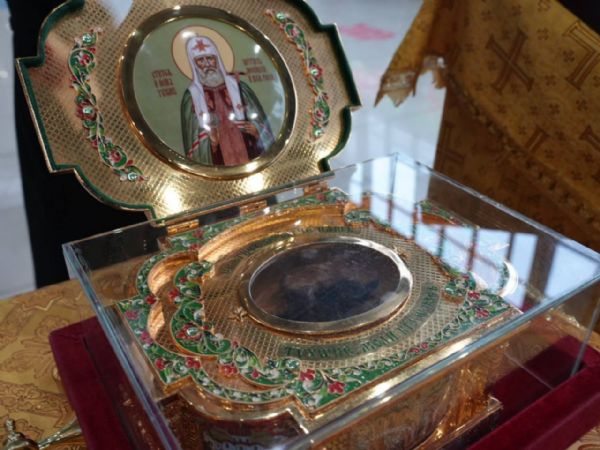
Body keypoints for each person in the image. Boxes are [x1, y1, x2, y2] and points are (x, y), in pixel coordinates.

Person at [180, 36, 274, 166]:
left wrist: (257, 130)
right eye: (200, 60)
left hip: (248, 149)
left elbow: (259, 120)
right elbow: (193, 136)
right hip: (219, 159)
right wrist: (211, 142)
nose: (207, 64)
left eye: (210, 58)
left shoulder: (240, 87)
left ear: (217, 59)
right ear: (194, 64)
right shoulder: (191, 96)